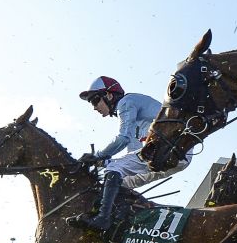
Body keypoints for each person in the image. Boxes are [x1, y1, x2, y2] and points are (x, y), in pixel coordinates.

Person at [68, 76, 191, 232]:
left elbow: (123, 138)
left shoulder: (126, 102)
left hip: (168, 148)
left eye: (94, 101)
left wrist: (98, 156)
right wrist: (103, 162)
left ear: (109, 95)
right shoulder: (136, 119)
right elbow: (132, 156)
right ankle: (119, 222)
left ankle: (102, 220)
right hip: (176, 156)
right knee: (118, 182)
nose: (94, 107)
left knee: (114, 171)